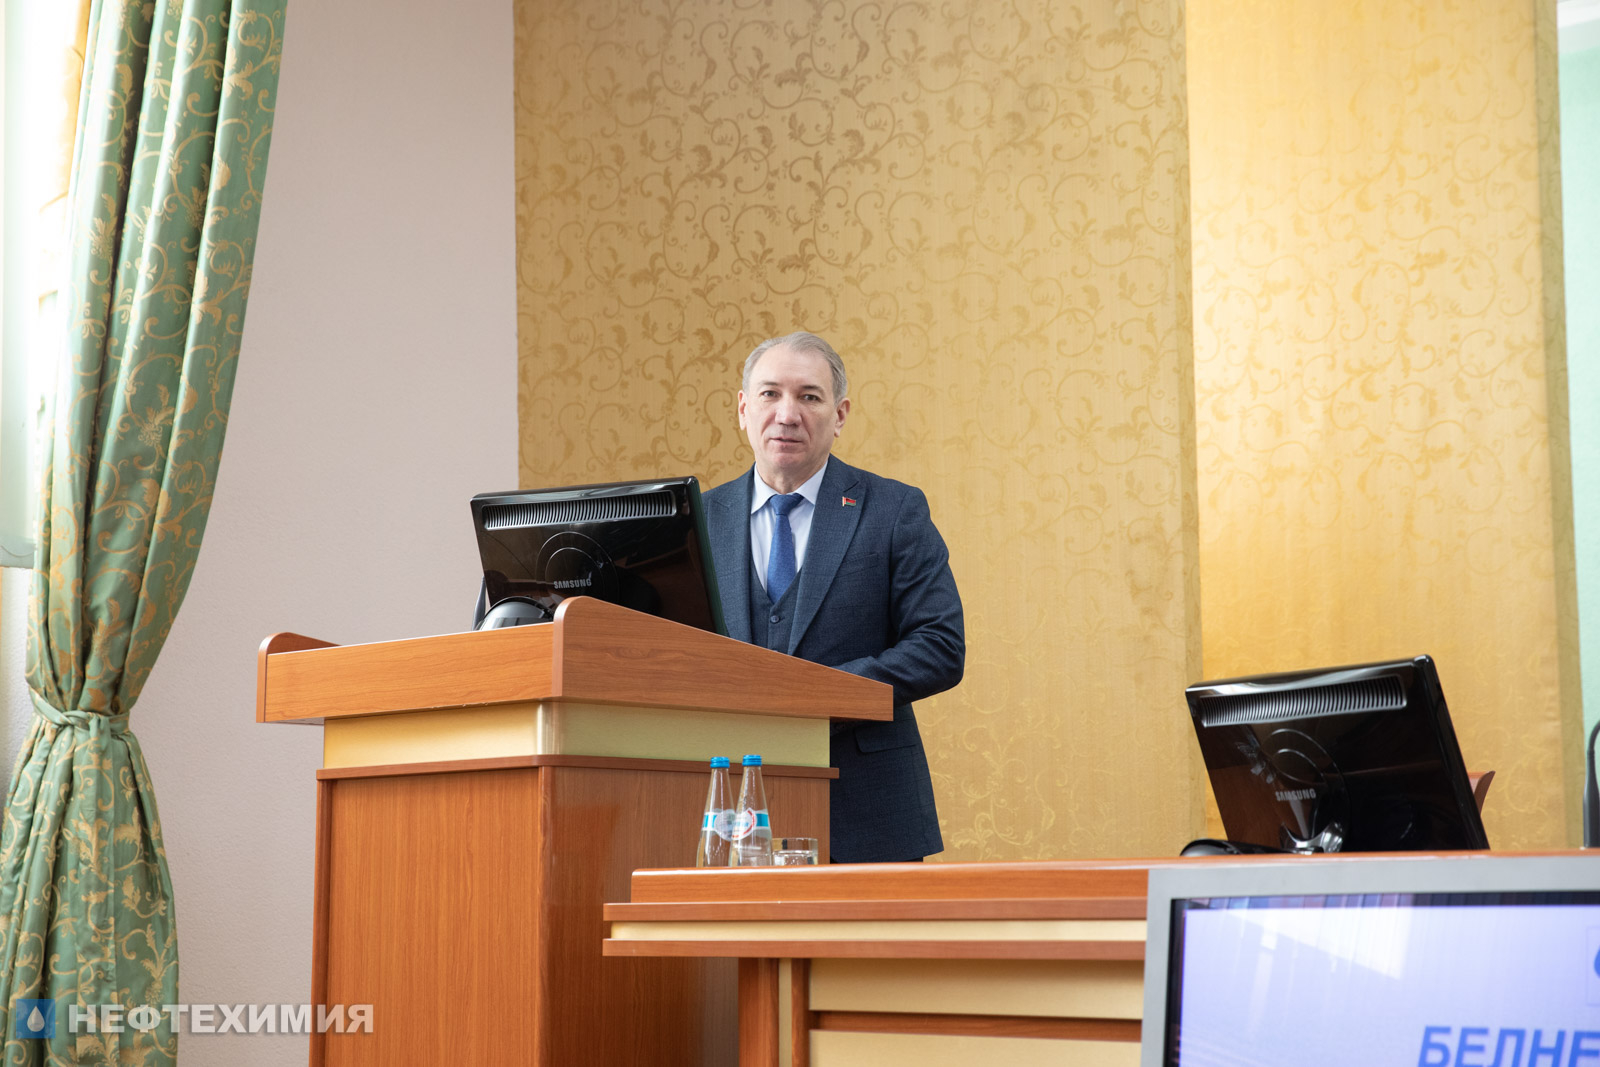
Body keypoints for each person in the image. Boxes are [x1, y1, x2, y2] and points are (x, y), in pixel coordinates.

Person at [704, 332, 964, 863]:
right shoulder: (701, 520)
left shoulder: (893, 509)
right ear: (743, 409)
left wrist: (820, 697)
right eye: (770, 394)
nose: (787, 414)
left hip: (868, 811)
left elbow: (940, 646)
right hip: (725, 812)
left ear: (839, 415)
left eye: (809, 396)